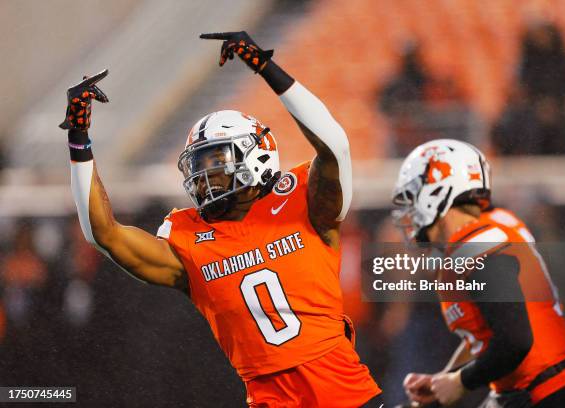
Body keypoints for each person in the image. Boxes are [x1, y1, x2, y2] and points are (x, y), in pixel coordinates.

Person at [60, 31, 381, 407]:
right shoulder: (190, 238)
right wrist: (79, 139)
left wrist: (266, 66)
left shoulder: (303, 204)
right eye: (198, 164)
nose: (203, 176)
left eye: (215, 161)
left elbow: (336, 145)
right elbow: (104, 235)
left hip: (349, 396)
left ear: (256, 156)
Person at [390, 139, 565, 407]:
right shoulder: (483, 232)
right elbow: (490, 333)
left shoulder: (478, 244)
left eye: (413, 197)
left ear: (438, 190)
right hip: (537, 391)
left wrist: (461, 381)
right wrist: (445, 379)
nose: (408, 211)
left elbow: (515, 340)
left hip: (554, 392)